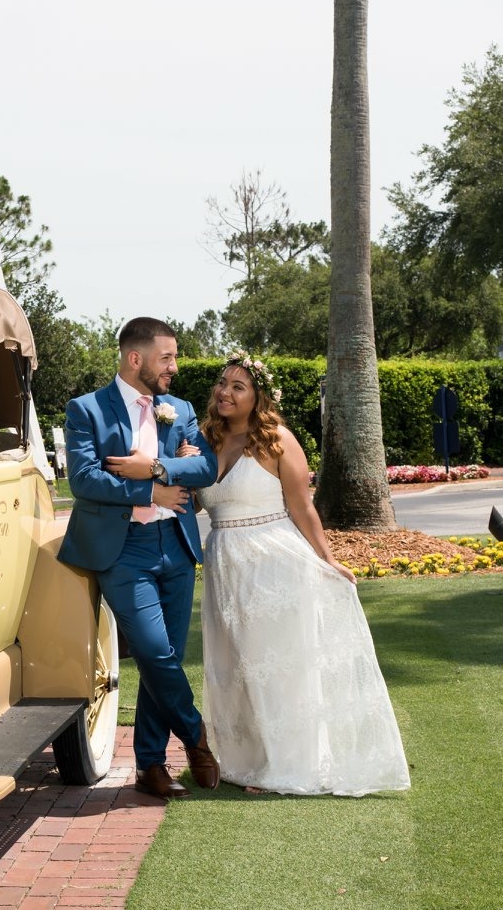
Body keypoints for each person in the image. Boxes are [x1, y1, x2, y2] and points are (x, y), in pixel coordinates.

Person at [185, 351, 410, 797]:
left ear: (258, 397)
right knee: (238, 665)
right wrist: (181, 467)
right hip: (225, 567)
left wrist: (327, 559)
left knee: (277, 670)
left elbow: (303, 507)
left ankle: (288, 767)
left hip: (274, 566)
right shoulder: (204, 441)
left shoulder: (278, 440)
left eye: (238, 387)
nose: (225, 392)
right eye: (223, 383)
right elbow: (193, 505)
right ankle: (249, 761)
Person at [58, 317, 221, 800]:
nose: (174, 367)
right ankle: (196, 734)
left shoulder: (180, 408)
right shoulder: (86, 409)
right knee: (152, 652)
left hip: (176, 544)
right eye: (166, 358)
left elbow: (205, 466)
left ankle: (150, 766)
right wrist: (151, 492)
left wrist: (156, 467)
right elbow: (84, 479)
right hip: (123, 550)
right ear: (135, 359)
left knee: (166, 657)